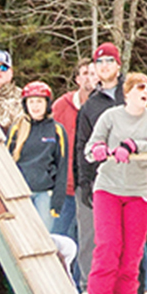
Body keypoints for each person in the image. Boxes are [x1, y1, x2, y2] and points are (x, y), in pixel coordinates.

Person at [73, 43, 147, 294]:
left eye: (110, 61)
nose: (105, 66)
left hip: (141, 179)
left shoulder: (140, 90)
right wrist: (84, 183)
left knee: (135, 244)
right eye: (100, 62)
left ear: (118, 65)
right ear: (94, 68)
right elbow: (83, 146)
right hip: (108, 182)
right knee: (107, 243)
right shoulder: (92, 106)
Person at [83, 71, 147, 294]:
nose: (145, 93)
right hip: (108, 187)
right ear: (127, 92)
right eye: (140, 87)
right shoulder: (111, 116)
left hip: (139, 190)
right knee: (109, 245)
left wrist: (133, 146)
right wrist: (100, 149)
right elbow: (90, 147)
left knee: (133, 250)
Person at [6, 81, 68, 224]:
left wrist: (57, 203)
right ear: (25, 104)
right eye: (31, 101)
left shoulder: (57, 130)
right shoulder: (16, 128)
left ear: (47, 103)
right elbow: (5, 163)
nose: (35, 106)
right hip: (19, 194)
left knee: (43, 239)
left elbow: (62, 168)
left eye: (39, 101)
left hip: (44, 195)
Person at [50, 59, 95, 252]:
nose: (89, 77)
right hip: (66, 187)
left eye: (93, 73)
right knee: (60, 240)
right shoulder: (62, 105)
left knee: (87, 243)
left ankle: (79, 282)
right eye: (84, 73)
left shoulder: (104, 105)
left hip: (92, 186)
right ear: (77, 79)